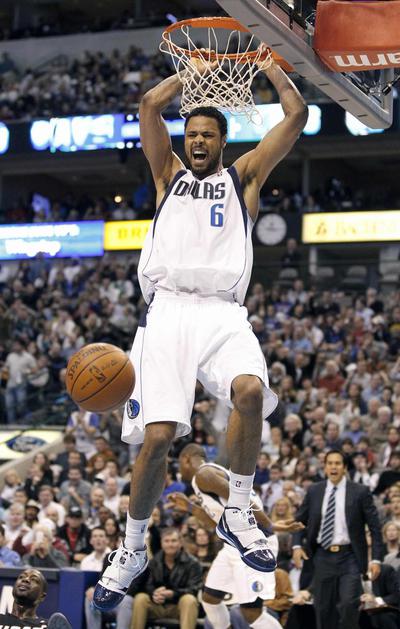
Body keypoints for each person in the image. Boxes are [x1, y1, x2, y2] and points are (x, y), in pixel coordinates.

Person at [93, 45, 308, 611]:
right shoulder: (167, 175)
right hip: (166, 311)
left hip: (222, 311)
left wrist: (270, 65)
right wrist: (190, 75)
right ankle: (132, 548)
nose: (198, 141)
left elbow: (296, 115)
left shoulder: (244, 178)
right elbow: (148, 106)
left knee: (250, 392)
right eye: (192, 133)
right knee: (159, 437)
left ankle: (238, 508)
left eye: (208, 134)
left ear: (222, 141)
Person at [166, 443, 303, 629]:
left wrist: (270, 525)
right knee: (210, 600)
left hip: (253, 541)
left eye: (179, 465)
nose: (178, 471)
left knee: (252, 614)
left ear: (186, 459)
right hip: (234, 544)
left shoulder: (204, 475)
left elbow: (242, 500)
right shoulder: (204, 478)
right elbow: (218, 524)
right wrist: (190, 508)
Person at [292, 449, 384, 629]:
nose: (333, 467)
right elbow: (299, 521)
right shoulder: (314, 490)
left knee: (349, 603)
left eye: (337, 463)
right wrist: (296, 545)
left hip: (349, 556)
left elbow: (375, 528)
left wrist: (375, 559)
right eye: (330, 463)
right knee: (323, 608)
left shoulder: (360, 491)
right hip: (322, 555)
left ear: (345, 467)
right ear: (325, 467)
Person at [128, 527, 202, 629]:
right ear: (161, 543)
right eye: (166, 541)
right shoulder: (153, 562)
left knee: (189, 599)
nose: (170, 544)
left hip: (179, 607)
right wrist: (154, 593)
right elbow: (147, 585)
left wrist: (173, 593)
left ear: (180, 543)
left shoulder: (193, 563)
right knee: (140, 598)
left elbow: (194, 589)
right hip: (157, 606)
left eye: (173, 541)